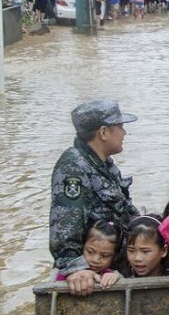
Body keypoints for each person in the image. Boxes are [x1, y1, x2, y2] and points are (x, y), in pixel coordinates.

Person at [50, 101, 139, 296]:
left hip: (116, 263)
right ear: (104, 132)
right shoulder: (73, 168)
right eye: (120, 127)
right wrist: (76, 269)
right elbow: (65, 225)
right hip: (98, 270)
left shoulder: (104, 164)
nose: (124, 133)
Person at [55, 219, 121, 290]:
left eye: (104, 255)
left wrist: (115, 277)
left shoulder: (108, 274)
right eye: (90, 252)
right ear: (82, 247)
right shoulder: (66, 271)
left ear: (115, 256)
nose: (95, 260)